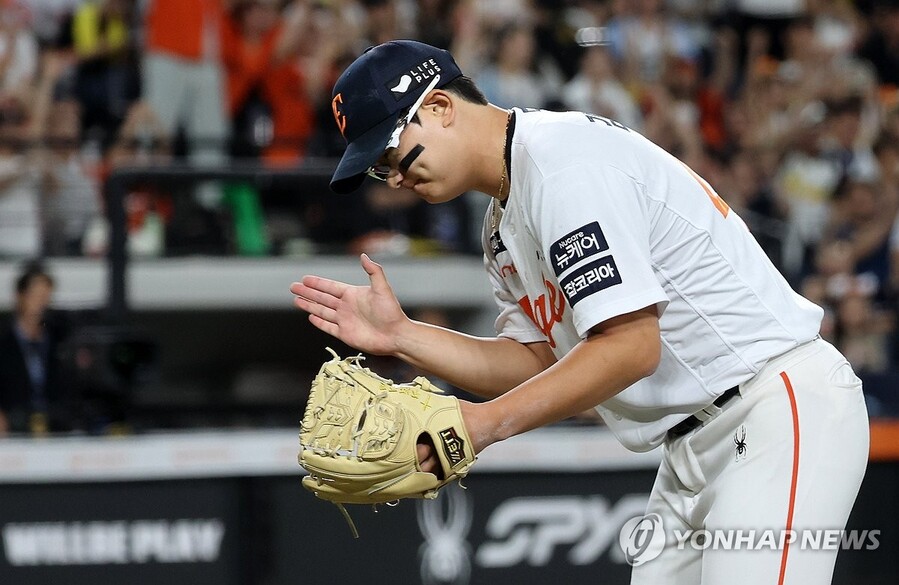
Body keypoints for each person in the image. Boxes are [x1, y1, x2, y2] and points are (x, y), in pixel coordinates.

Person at [291, 40, 869, 584]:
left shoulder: (561, 165)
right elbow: (540, 362)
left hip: (771, 407)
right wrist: (405, 336)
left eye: (390, 151)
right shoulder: (502, 222)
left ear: (439, 107)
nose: (391, 176)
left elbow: (629, 348)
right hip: (690, 444)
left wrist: (480, 424)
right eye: (377, 168)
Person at [0, 261, 74, 435]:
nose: (41, 304)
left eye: (45, 297)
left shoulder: (58, 342)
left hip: (54, 428)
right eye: (35, 296)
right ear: (20, 296)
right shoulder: (4, 343)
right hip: (13, 429)